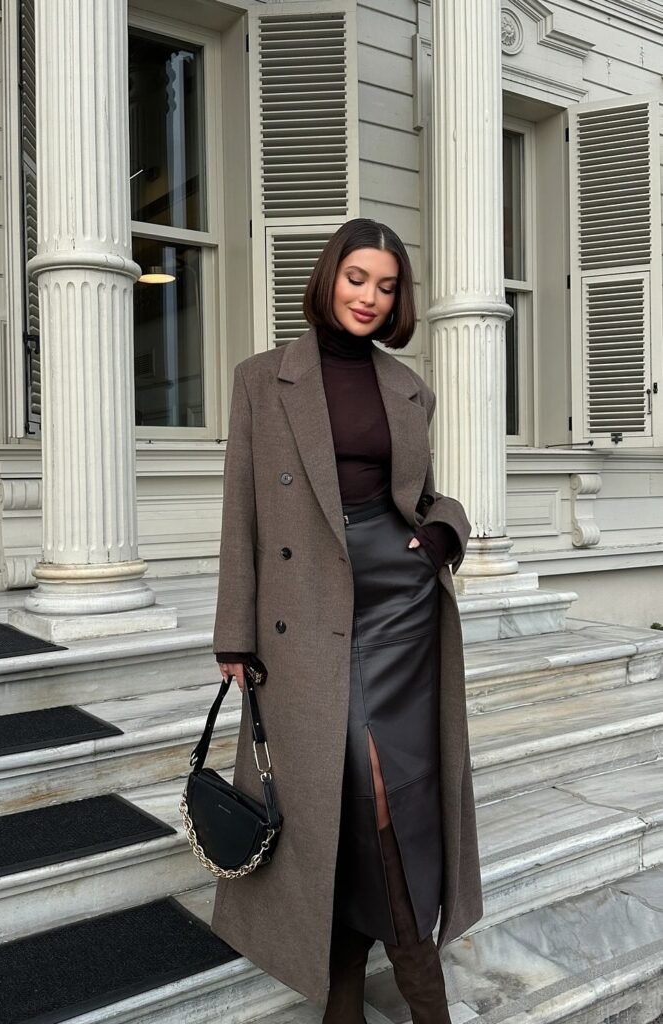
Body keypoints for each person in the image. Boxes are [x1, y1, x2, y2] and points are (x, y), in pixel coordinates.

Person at [210, 218, 482, 1022]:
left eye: (386, 287)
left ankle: (390, 996)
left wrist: (444, 532)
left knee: (390, 796)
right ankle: (381, 995)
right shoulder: (262, 379)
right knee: (347, 798)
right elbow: (240, 511)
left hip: (400, 608)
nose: (369, 297)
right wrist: (234, 631)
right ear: (329, 276)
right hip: (305, 611)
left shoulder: (407, 388)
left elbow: (422, 495)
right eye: (357, 278)